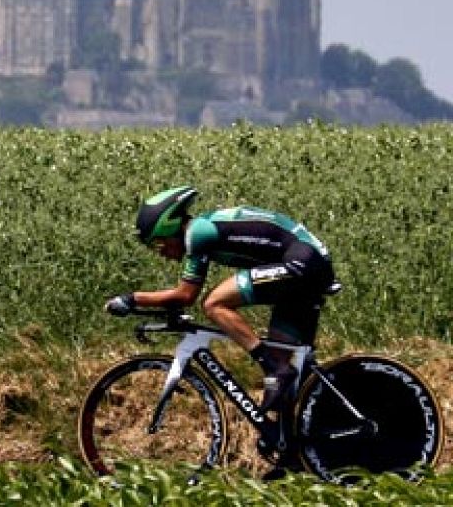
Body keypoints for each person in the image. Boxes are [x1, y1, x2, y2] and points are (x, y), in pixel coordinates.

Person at [107, 185, 335, 457]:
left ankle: (273, 368)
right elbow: (182, 297)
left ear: (169, 228)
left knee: (214, 304)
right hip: (308, 262)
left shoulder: (198, 233)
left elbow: (186, 294)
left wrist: (133, 299)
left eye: (158, 243)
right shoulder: (201, 231)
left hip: (302, 262)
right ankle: (292, 453)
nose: (161, 253)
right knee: (285, 363)